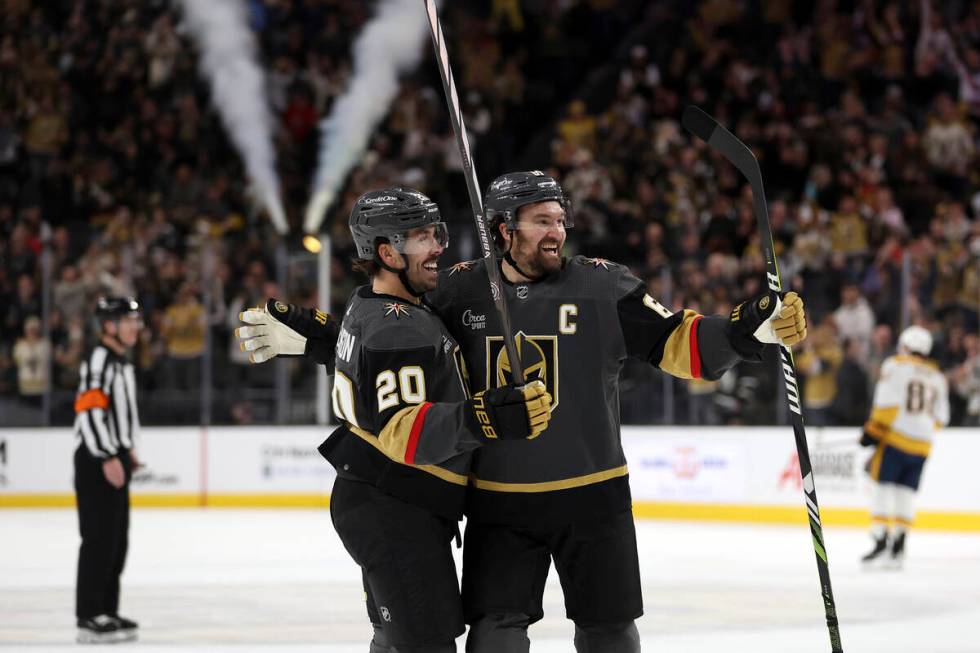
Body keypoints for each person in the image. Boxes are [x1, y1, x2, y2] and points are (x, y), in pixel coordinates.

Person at [422, 171, 807, 653]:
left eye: (560, 220)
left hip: (594, 496)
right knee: (495, 631)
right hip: (499, 499)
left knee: (610, 631)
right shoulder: (458, 292)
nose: (557, 232)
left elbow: (676, 342)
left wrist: (747, 330)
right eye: (542, 221)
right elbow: (396, 339)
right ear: (503, 230)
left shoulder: (601, 285)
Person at [237, 187, 552, 653]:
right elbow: (406, 434)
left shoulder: (371, 305)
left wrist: (319, 339)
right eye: (423, 237)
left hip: (384, 500)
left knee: (395, 637)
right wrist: (489, 417)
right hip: (394, 507)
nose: (439, 246)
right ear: (387, 251)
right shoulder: (399, 326)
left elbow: (370, 358)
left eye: (437, 232)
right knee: (426, 644)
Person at [73, 297, 144, 644]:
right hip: (95, 459)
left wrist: (127, 449)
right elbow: (89, 409)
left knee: (116, 541)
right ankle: (89, 615)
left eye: (136, 320)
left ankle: (106, 609)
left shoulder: (120, 361)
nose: (136, 326)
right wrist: (106, 455)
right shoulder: (100, 359)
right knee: (99, 538)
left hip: (113, 456)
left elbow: (118, 413)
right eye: (128, 320)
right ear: (109, 325)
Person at [859, 325, 949, 569]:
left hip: (896, 440)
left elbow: (886, 404)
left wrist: (873, 432)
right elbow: (941, 418)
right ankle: (899, 546)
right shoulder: (938, 378)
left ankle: (880, 539)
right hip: (922, 446)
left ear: (906, 346)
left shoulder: (896, 365)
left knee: (880, 487)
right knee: (905, 492)